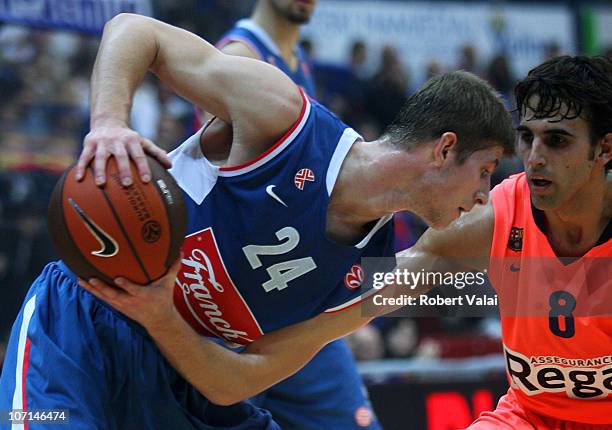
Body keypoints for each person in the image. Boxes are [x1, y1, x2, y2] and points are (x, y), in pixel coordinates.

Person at [0, 13, 514, 429]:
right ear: (445, 149)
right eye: (485, 171)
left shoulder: (372, 278)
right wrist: (109, 123)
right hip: (85, 319)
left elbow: (234, 383)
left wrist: (163, 318)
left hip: (184, 375)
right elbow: (135, 31)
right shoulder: (282, 119)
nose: (482, 194)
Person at [196, 1, 383, 428]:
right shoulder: (241, 54)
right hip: (244, 292)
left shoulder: (298, 63)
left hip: (291, 287)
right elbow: (219, 184)